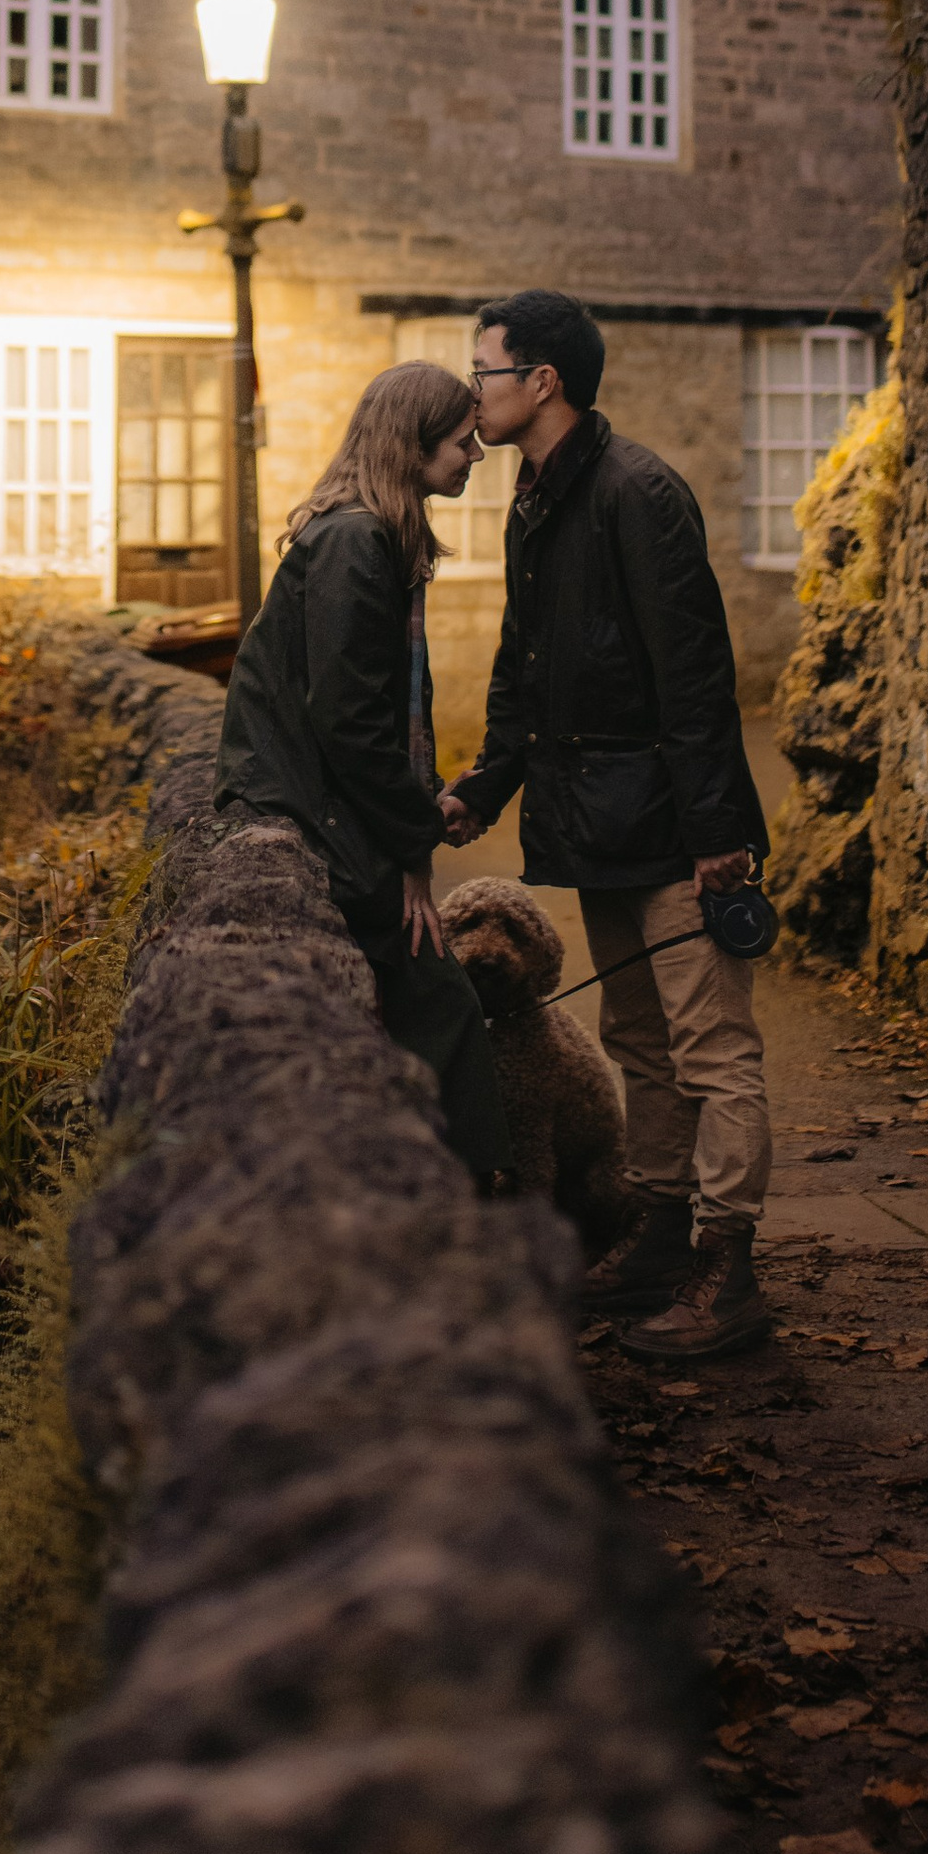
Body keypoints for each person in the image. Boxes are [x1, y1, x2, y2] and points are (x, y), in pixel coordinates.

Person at [440, 289, 776, 1360]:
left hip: (676, 830)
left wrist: (718, 831)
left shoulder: (641, 492)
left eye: (485, 371)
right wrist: (485, 785)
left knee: (712, 1050)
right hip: (597, 822)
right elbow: (523, 663)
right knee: (638, 1039)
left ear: (542, 382)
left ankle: (729, 1270)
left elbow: (695, 671)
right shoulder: (535, 497)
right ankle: (663, 1235)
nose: (473, 392)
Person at [215, 360, 511, 1188]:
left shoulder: (365, 534)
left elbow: (380, 706)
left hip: (323, 802)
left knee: (429, 1001)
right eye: (462, 442)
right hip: (309, 808)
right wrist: (414, 842)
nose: (476, 455)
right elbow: (348, 720)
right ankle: (472, 1207)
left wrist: (419, 813)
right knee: (441, 1001)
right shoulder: (355, 542)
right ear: (411, 445)